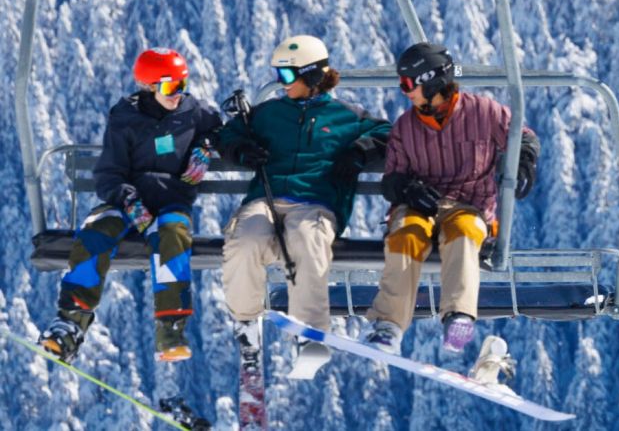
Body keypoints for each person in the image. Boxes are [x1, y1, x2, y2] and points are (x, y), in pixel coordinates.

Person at [218, 35, 390, 378]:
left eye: (287, 76)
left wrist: (359, 151)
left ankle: (309, 334)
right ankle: (246, 320)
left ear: (312, 76)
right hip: (265, 200)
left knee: (308, 245)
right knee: (245, 239)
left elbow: (388, 133)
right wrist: (241, 150)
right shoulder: (267, 114)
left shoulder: (345, 116)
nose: (281, 86)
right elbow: (228, 135)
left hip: (315, 204)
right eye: (278, 76)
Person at [39, 48, 222, 363]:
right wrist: (133, 205)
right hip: (128, 200)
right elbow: (108, 174)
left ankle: (171, 328)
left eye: (182, 84)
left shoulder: (193, 112)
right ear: (149, 87)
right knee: (96, 231)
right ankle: (70, 322)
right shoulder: (125, 118)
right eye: (169, 87)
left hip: (171, 201)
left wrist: (205, 146)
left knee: (173, 236)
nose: (178, 93)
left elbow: (221, 129)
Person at [362, 42, 539, 355]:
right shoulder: (406, 127)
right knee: (406, 236)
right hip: (419, 206)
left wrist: (523, 158)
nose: (405, 92)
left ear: (431, 81)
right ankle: (388, 326)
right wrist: (406, 188)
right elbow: (392, 179)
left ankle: (458, 316)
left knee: (464, 235)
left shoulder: (483, 112)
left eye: (408, 84)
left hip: (467, 205)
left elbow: (521, 135)